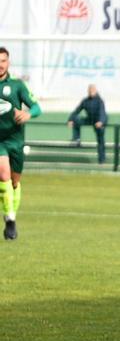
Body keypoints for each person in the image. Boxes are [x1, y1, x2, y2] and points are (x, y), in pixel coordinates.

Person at [0, 46, 42, 241]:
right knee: (3, 176)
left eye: (3, 61)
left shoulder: (17, 85)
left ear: (8, 63)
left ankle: (11, 215)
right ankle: (10, 220)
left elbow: (37, 107)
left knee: (15, 182)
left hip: (15, 141)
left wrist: (27, 114)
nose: (0, 65)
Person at [68, 84, 108, 164]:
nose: (91, 92)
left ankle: (102, 159)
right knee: (76, 119)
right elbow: (77, 110)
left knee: (100, 140)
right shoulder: (85, 101)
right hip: (90, 119)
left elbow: (102, 112)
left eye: (92, 90)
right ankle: (77, 140)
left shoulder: (100, 101)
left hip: (99, 121)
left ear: (96, 91)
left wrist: (101, 122)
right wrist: (70, 119)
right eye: (89, 90)